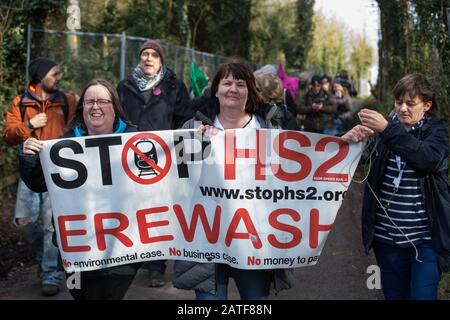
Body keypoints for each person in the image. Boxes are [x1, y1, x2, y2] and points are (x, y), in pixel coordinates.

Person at [172, 57, 298, 300]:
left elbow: (295, 173)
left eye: (240, 84)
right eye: (227, 83)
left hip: (254, 239)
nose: (233, 89)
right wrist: (198, 143)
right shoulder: (193, 127)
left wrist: (347, 144)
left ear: (250, 91)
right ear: (215, 90)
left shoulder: (270, 128)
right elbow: (181, 183)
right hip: (207, 239)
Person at [19, 79, 142, 300]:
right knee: (81, 294)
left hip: (122, 247)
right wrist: (28, 158)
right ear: (82, 108)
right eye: (89, 102)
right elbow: (38, 183)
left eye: (102, 101)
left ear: (114, 108)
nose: (95, 106)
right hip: (76, 248)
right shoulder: (64, 144)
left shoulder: (136, 140)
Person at [344, 73, 450, 300]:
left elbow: (428, 159)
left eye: (410, 104)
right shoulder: (385, 132)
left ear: (427, 105)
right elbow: (352, 162)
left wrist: (388, 130)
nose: (402, 108)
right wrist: (348, 141)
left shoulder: (436, 132)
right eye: (398, 102)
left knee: (423, 296)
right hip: (387, 239)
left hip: (425, 239)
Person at [117, 39, 193, 287]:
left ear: (161, 60)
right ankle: (132, 257)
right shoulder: (124, 87)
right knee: (132, 210)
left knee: (158, 212)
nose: (148, 58)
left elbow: (184, 122)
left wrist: (181, 161)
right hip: (128, 159)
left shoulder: (174, 87)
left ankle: (156, 266)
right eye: (144, 54)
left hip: (163, 161)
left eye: (153, 55)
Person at [2, 57, 77, 296]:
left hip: (58, 170)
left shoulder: (67, 101)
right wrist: (29, 124)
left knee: (51, 227)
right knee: (24, 221)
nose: (59, 77)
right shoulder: (20, 103)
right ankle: (45, 259)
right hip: (30, 169)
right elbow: (8, 136)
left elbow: (80, 127)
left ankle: (50, 273)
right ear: (40, 76)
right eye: (55, 73)